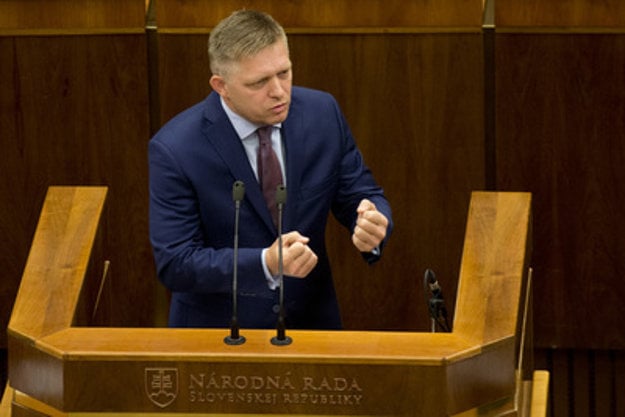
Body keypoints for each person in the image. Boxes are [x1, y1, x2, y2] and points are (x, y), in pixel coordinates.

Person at [148, 9, 393, 330]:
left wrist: (372, 224)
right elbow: (176, 263)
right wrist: (265, 263)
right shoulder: (176, 148)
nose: (278, 91)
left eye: (284, 73)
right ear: (221, 85)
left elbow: (361, 193)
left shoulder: (322, 114)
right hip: (220, 335)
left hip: (312, 325)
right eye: (259, 82)